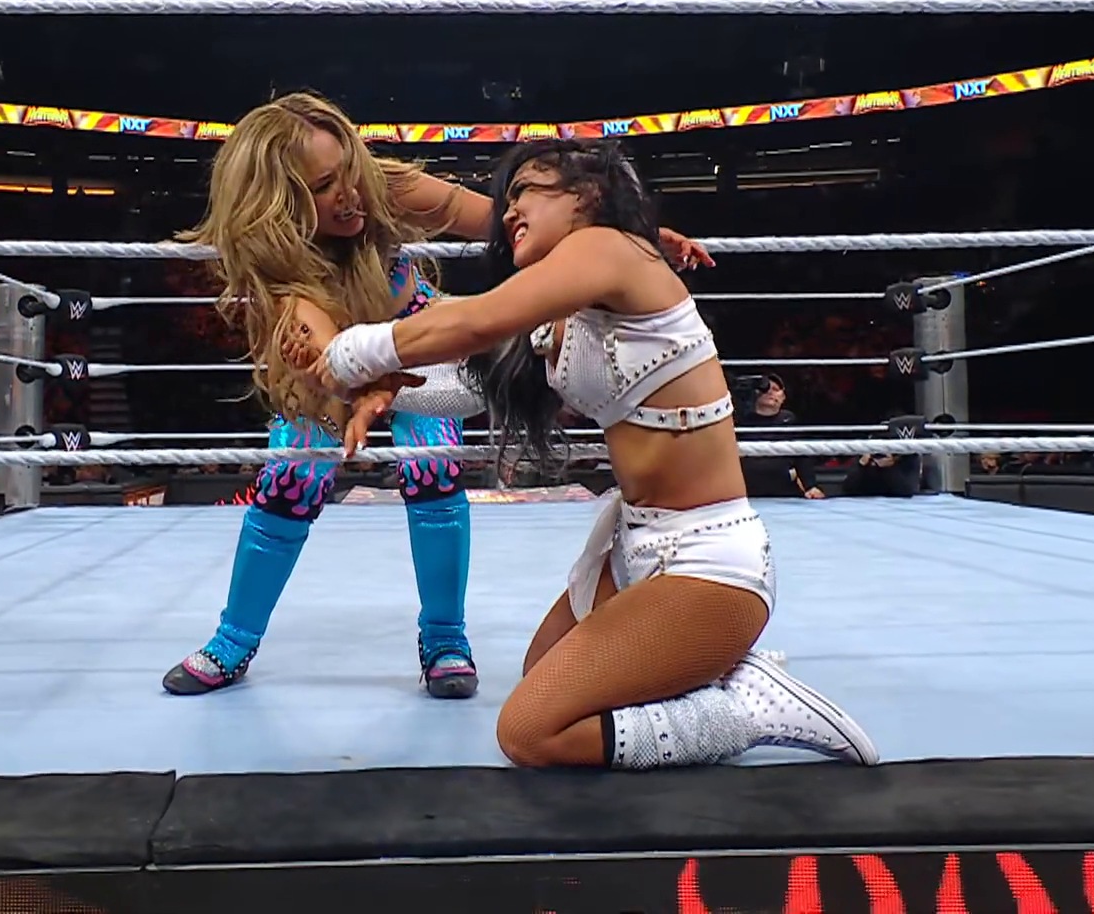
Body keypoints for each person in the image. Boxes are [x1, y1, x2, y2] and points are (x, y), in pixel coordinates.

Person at [292, 137, 877, 770]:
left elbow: (473, 321)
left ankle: (746, 709)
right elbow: (469, 387)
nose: (508, 210)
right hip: (633, 546)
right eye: (506, 198)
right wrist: (382, 391)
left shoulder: (612, 249)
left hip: (707, 556)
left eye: (527, 190)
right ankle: (711, 669)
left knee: (529, 732)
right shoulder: (565, 315)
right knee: (542, 671)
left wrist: (347, 355)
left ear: (588, 194)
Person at [163, 93, 711, 699]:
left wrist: (632, 238)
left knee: (434, 473)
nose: (348, 193)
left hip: (419, 335)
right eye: (322, 187)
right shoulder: (277, 266)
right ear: (280, 205)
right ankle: (233, 639)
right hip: (332, 359)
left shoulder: (378, 185)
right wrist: (354, 381)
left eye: (348, 171)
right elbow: (321, 351)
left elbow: (502, 222)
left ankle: (446, 638)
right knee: (289, 485)